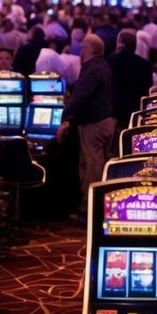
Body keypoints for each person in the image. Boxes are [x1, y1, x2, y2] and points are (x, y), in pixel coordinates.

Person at [57, 34, 115, 213]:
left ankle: (91, 207)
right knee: (94, 163)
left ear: (91, 49)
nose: (81, 51)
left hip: (94, 124)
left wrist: (66, 119)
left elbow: (80, 98)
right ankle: (93, 204)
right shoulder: (102, 65)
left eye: (83, 47)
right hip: (105, 121)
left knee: (92, 166)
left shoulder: (92, 70)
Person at [107, 29, 153, 140]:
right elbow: (148, 93)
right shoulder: (144, 65)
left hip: (113, 113)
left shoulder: (109, 60)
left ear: (120, 43)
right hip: (134, 115)